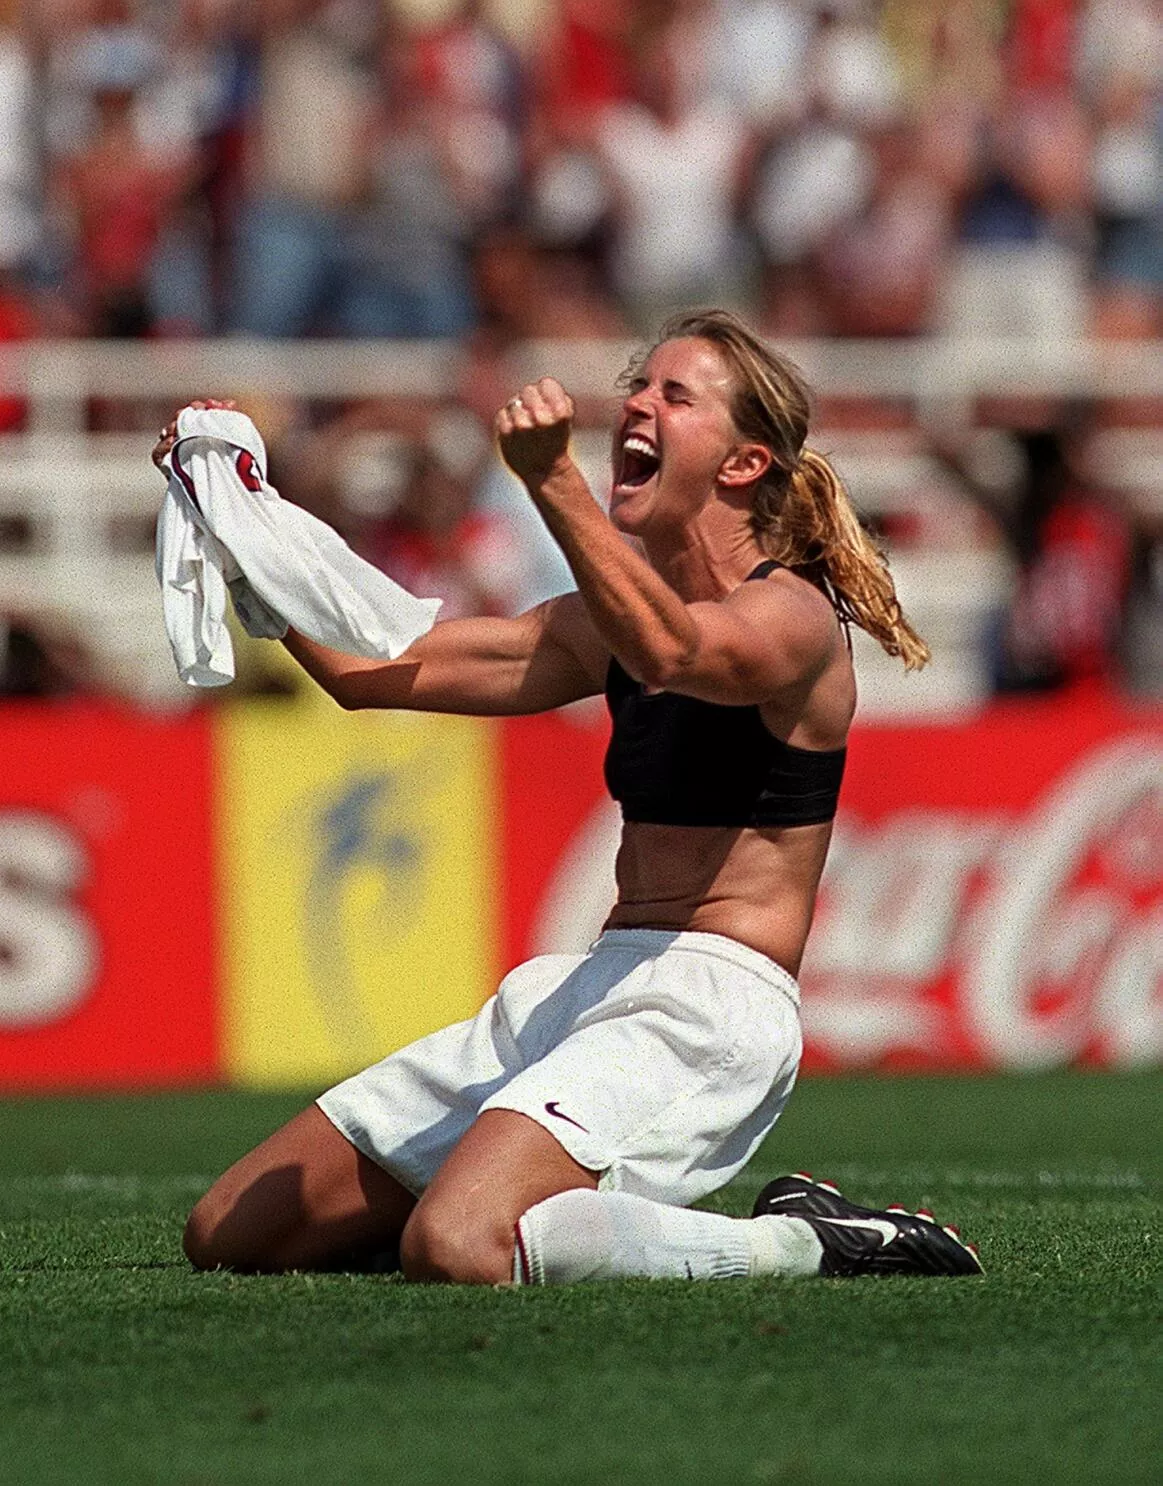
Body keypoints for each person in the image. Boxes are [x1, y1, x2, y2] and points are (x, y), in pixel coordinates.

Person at [157, 309, 981, 1285]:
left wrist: (550, 479)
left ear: (742, 464)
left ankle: (809, 1242)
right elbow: (371, 670)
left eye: (674, 395)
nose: (637, 401)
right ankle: (513, 1208)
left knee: (457, 1242)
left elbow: (674, 653)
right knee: (232, 1232)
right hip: (588, 985)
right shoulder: (609, 619)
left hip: (706, 1011)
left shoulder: (793, 615)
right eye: (638, 385)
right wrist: (239, 517)